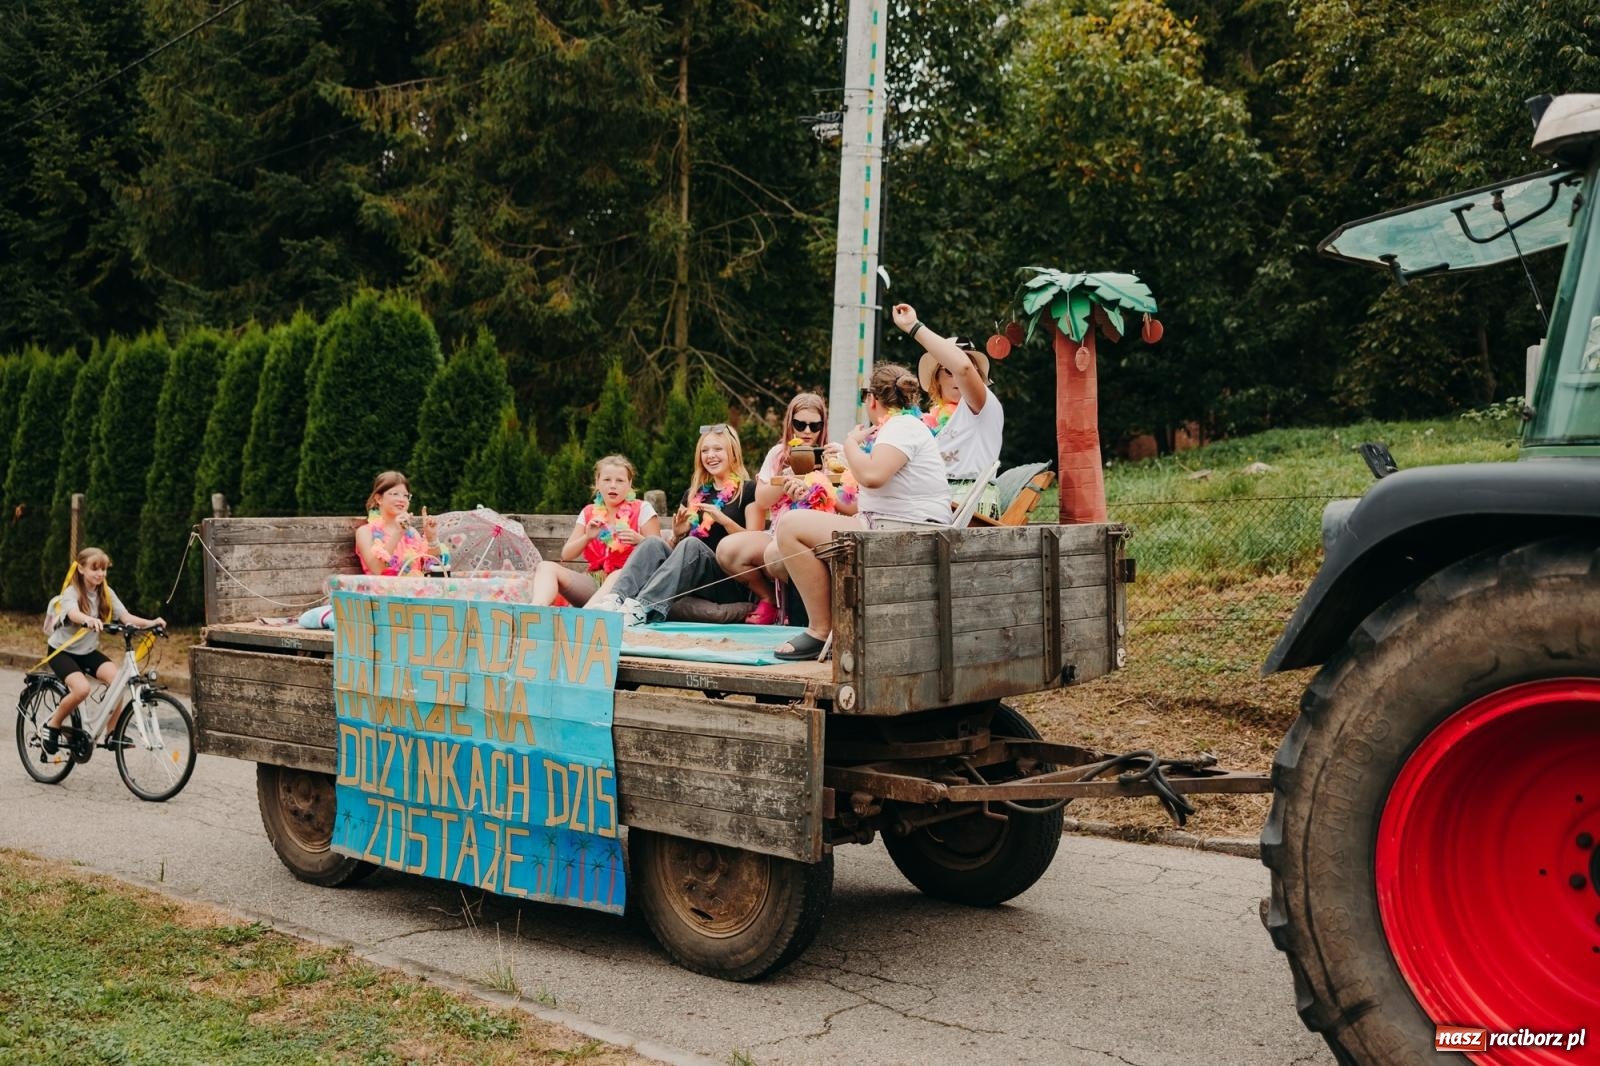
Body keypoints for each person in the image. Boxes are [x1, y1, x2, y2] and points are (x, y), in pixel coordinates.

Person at [772, 363, 949, 661]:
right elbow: (867, 496)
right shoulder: (900, 428)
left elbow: (872, 476)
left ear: (872, 400)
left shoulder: (901, 427)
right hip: (890, 525)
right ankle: (828, 626)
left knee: (789, 526)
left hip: (901, 532)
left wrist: (852, 444)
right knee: (800, 528)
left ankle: (820, 630)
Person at [591, 424, 758, 625]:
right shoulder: (693, 493)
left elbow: (755, 544)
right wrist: (678, 534)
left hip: (728, 580)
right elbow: (676, 553)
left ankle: (641, 607)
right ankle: (615, 599)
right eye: (705, 451)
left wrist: (724, 521)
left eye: (717, 449)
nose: (710, 455)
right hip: (692, 581)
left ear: (733, 452)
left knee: (692, 545)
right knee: (653, 543)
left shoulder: (748, 490)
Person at [717, 392, 854, 625]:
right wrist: (786, 482)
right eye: (800, 424)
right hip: (778, 532)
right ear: (790, 424)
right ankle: (769, 599)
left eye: (815, 425)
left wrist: (825, 484)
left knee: (776, 553)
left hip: (821, 535)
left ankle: (807, 617)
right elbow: (761, 499)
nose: (807, 432)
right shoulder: (779, 454)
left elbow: (852, 506)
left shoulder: (836, 454)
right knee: (728, 551)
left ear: (823, 426)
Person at [40, 547, 167, 755]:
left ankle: (112, 732)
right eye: (94, 569)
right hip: (62, 651)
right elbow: (72, 614)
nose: (100, 574)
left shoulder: (106, 593)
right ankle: (53, 725)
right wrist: (87, 619)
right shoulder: (71, 592)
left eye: (104, 569)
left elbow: (126, 617)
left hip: (87, 651)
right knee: (81, 690)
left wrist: (152, 623)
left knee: (118, 682)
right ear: (81, 569)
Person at [892, 302, 1005, 520]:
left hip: (971, 507)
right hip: (927, 504)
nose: (957, 375)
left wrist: (913, 326)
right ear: (937, 378)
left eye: (970, 369)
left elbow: (962, 367)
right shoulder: (926, 420)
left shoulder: (983, 405)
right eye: (948, 369)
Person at [530, 455, 661, 607]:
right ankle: (535, 610)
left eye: (620, 480)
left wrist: (640, 540)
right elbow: (567, 554)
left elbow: (659, 554)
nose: (613, 485)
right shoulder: (589, 512)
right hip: (594, 581)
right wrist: (587, 537)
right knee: (546, 567)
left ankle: (585, 619)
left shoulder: (643, 509)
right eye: (607, 480)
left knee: (617, 575)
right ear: (597, 483)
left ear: (629, 484)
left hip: (629, 584)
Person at [354, 471, 440, 576]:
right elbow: (377, 571)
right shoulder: (365, 532)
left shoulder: (412, 533)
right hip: (383, 590)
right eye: (395, 494)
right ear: (379, 498)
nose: (402, 500)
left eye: (405, 496)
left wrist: (432, 539)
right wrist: (398, 532)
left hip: (415, 589)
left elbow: (429, 569)